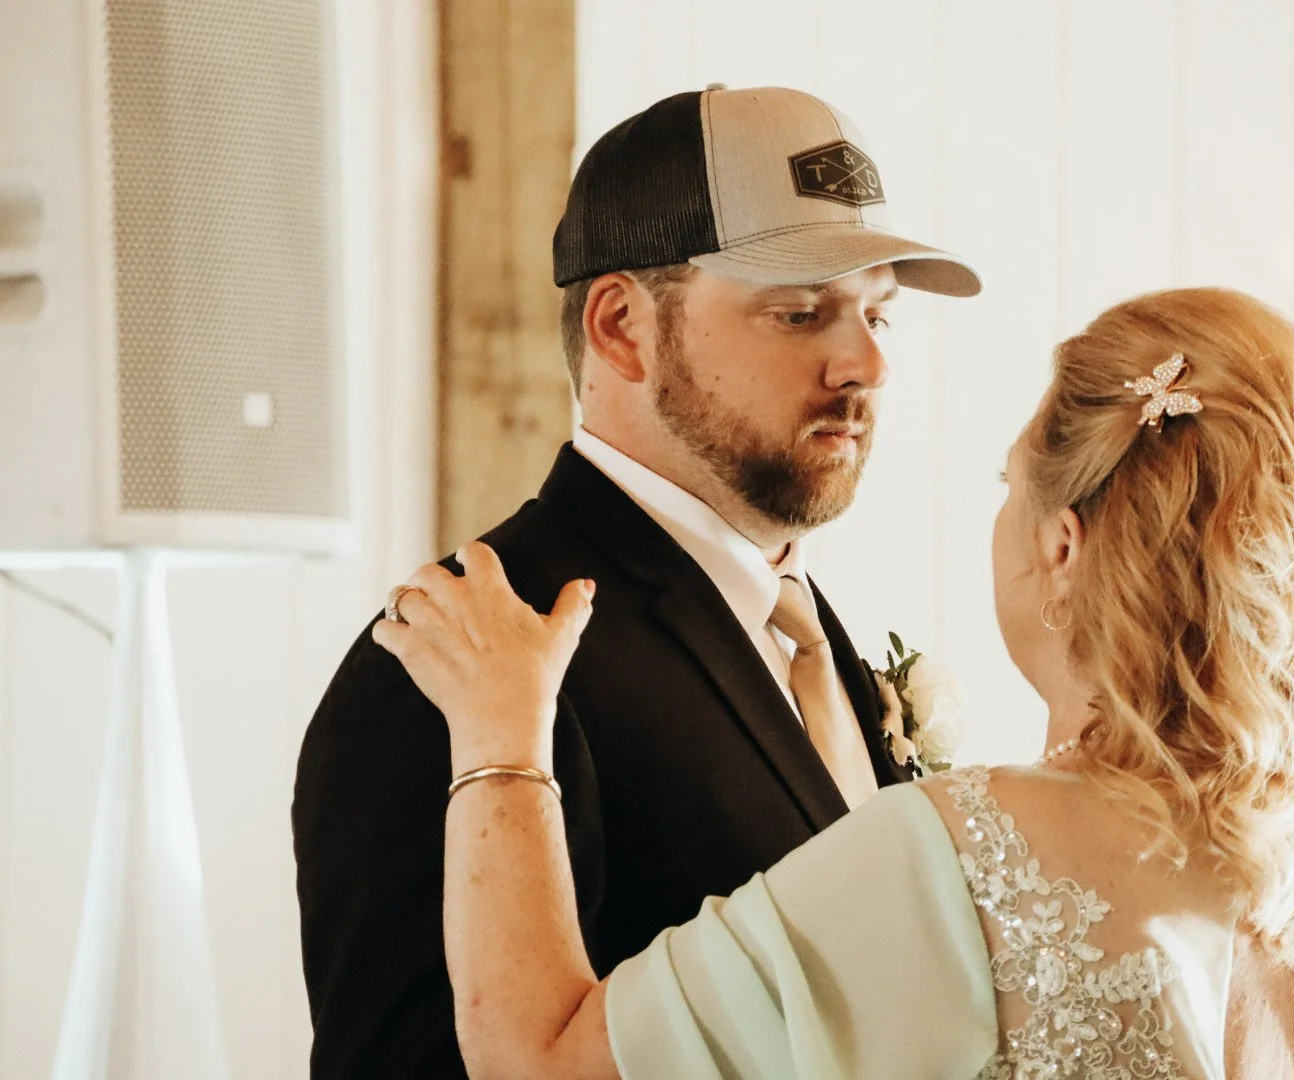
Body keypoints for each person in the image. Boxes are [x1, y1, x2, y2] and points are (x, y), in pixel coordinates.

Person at [377, 286, 1294, 1079]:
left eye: (1007, 485)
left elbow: (539, 1060)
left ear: (1063, 546)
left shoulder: (965, 859)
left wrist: (500, 733)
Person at [291, 85, 981, 1076]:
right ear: (622, 328)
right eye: (799, 312)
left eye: (879, 314)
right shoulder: (457, 658)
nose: (866, 362)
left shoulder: (807, 636)